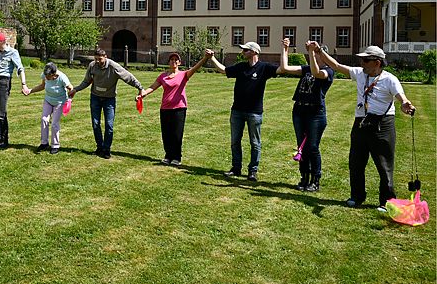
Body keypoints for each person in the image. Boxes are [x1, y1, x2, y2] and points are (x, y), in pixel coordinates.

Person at [315, 44, 416, 211]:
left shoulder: (390, 79)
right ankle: (357, 196)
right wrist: (319, 52)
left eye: (366, 60)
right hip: (361, 122)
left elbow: (401, 97)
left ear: (377, 62)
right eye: (361, 59)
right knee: (356, 162)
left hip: (382, 124)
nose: (362, 62)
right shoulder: (360, 74)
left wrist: (405, 104)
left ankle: (387, 201)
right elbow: (337, 66)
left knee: (384, 165)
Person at [208, 42, 279, 181]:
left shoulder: (265, 68)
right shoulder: (241, 67)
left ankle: (253, 171)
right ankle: (236, 168)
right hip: (237, 111)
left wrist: (285, 49)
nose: (243, 52)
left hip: (255, 112)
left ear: (254, 52)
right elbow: (224, 70)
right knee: (235, 141)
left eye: (245, 50)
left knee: (255, 143)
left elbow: (282, 69)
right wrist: (212, 58)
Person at [137, 49, 212, 166]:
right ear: (169, 62)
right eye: (171, 60)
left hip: (179, 109)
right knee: (166, 134)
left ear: (179, 63)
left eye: (176, 60)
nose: (173, 61)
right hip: (165, 108)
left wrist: (205, 58)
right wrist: (143, 94)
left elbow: (196, 68)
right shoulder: (163, 76)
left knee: (177, 134)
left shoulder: (183, 75)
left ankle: (177, 157)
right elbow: (152, 87)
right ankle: (168, 156)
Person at [279, 38, 334, 192]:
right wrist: (285, 48)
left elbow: (316, 73)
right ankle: (304, 178)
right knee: (301, 147)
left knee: (312, 147)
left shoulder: (328, 71)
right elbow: (284, 68)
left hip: (315, 114)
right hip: (299, 111)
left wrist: (312, 51)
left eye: (317, 54)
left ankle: (315, 181)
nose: (313, 56)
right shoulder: (306, 69)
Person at [69, 48, 143, 159]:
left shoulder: (114, 67)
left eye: (100, 59)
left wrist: (140, 87)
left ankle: (106, 149)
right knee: (95, 123)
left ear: (105, 57)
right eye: (95, 59)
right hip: (95, 98)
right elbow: (86, 81)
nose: (97, 61)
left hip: (109, 99)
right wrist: (76, 89)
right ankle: (99, 147)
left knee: (109, 125)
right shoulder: (92, 66)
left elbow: (128, 77)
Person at [25, 62, 73, 155]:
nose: (46, 77)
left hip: (59, 102)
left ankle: (55, 145)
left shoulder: (62, 77)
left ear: (54, 74)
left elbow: (71, 88)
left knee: (55, 123)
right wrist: (30, 91)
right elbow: (42, 86)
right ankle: (44, 143)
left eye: (48, 76)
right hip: (48, 100)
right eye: (45, 75)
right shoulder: (45, 75)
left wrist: (69, 100)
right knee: (44, 120)